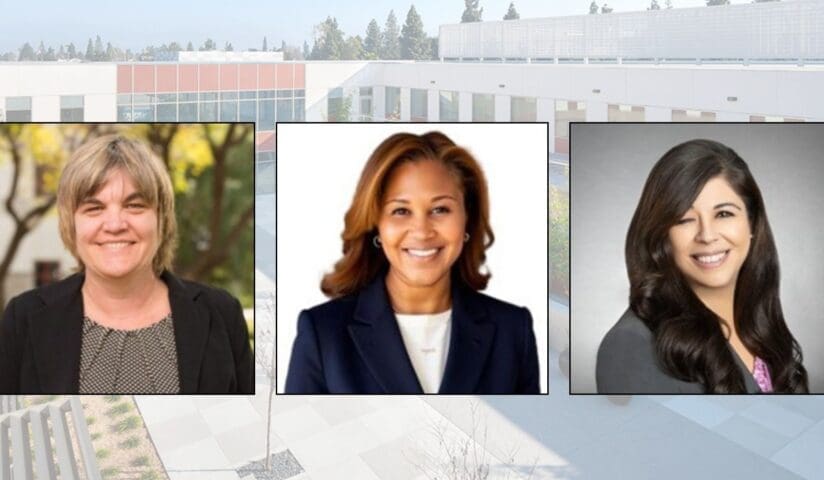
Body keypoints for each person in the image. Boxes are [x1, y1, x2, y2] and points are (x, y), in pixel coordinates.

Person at [285, 131, 539, 394]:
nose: (422, 231)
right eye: (401, 211)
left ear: (467, 219)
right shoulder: (323, 335)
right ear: (376, 226)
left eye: (440, 209)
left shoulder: (513, 330)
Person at [0, 134, 253, 394]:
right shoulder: (25, 319)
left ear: (161, 218)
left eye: (134, 206)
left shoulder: (222, 314)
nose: (115, 225)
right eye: (94, 208)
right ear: (71, 223)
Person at [596, 139, 808, 394]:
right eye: (684, 219)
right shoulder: (631, 345)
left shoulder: (761, 328)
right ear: (662, 236)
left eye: (724, 214)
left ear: (751, 224)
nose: (707, 235)